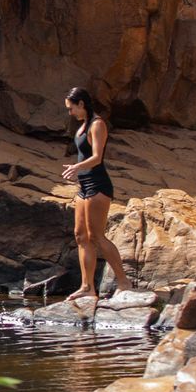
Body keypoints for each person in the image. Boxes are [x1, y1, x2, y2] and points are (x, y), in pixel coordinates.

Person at [62, 85, 129, 304]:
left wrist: (76, 167)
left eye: (72, 108)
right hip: (84, 186)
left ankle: (123, 283)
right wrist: (78, 170)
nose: (70, 113)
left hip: (98, 185)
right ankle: (87, 288)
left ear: (81, 104)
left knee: (97, 237)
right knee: (81, 236)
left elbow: (97, 157)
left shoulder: (97, 124)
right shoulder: (83, 125)